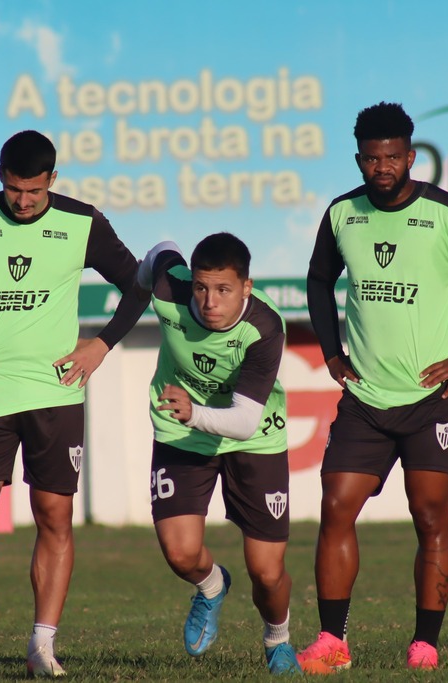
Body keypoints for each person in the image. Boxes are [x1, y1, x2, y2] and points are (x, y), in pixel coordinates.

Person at [0, 129, 148, 679]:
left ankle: (42, 646)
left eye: (34, 192)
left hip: (55, 395)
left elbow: (140, 283)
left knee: (54, 515)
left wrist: (101, 343)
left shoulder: (82, 223)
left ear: (53, 181)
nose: (22, 201)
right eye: (14, 189)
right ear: (1, 177)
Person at [296, 101, 448, 673]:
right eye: (372, 158)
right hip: (366, 401)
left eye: (392, 157)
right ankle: (332, 641)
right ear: (359, 159)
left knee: (430, 517)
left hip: (432, 402)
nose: (382, 167)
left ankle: (425, 643)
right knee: (336, 506)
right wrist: (330, 349)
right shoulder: (342, 213)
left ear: (410, 157)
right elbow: (319, 279)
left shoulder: (447, 214)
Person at [135, 232, 302, 675]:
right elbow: (158, 251)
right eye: (202, 287)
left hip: (254, 437)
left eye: (224, 289)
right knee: (181, 555)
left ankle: (278, 639)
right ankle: (211, 586)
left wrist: (194, 412)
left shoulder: (264, 327)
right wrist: (139, 282)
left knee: (267, 571)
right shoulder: (168, 286)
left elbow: (244, 421)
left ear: (246, 287)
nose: (210, 301)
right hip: (180, 432)